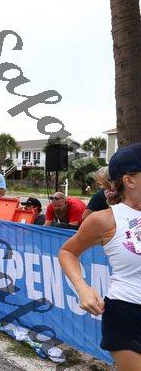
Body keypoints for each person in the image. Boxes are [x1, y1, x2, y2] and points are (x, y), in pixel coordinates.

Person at [59, 142, 141, 369]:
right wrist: (82, 288)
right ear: (130, 181)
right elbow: (67, 252)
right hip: (128, 314)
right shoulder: (105, 220)